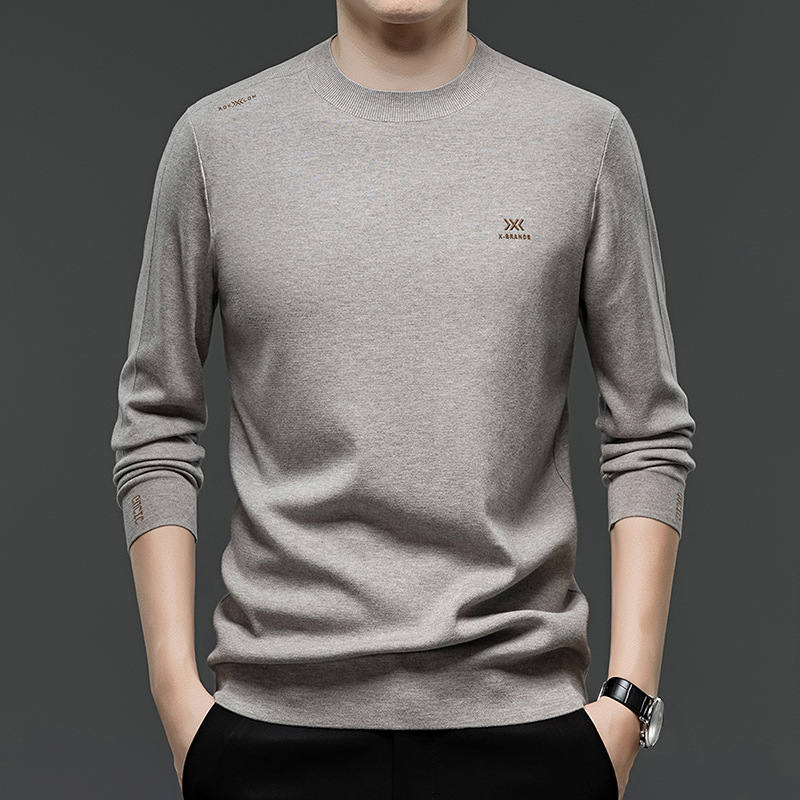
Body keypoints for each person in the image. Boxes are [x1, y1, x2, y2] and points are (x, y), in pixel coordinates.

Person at [109, 1, 697, 798]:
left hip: (525, 731)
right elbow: (156, 419)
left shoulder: (583, 137)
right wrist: (175, 692)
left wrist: (628, 703)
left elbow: (647, 432)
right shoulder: (218, 141)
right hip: (269, 729)